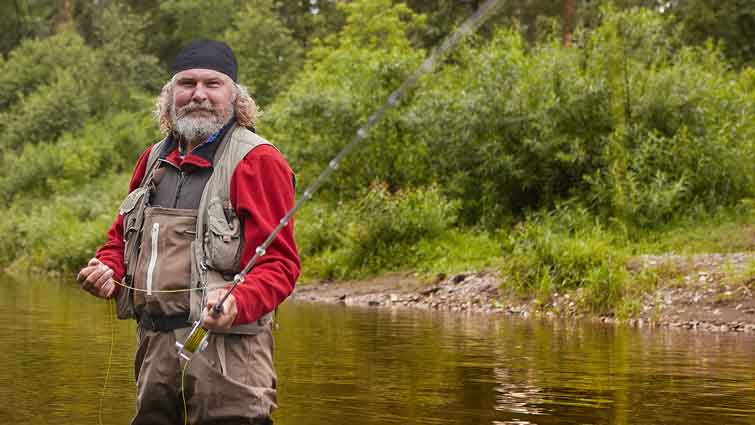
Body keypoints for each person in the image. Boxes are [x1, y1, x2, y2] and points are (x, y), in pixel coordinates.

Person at [76, 39, 300, 425]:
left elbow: (280, 264)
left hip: (229, 354)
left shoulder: (259, 161)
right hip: (154, 349)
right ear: (170, 96)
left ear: (235, 97)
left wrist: (236, 302)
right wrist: (108, 270)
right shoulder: (152, 159)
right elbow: (119, 241)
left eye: (213, 84)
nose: (199, 94)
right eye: (187, 84)